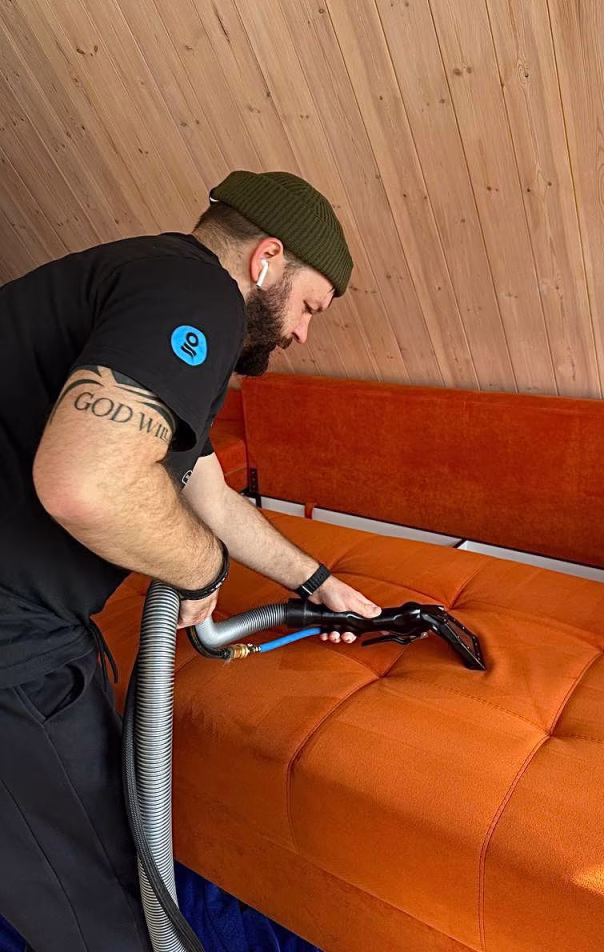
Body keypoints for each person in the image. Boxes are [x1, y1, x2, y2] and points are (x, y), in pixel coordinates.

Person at [0, 170, 381, 951]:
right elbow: (85, 482)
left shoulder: (145, 283)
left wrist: (317, 583)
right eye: (310, 307)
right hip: (13, 640)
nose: (302, 335)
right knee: (102, 899)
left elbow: (209, 496)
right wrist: (200, 569)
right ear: (265, 259)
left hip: (31, 617)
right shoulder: (197, 295)